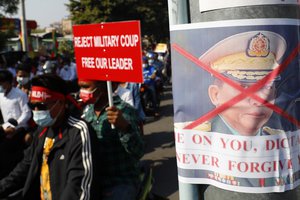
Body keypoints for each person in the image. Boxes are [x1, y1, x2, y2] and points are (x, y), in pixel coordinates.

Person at [186, 31, 299, 199]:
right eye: (245, 88)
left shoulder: (280, 137)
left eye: (267, 87)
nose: (260, 99)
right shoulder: (195, 139)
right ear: (215, 95)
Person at [0, 74, 97, 199]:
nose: (36, 110)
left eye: (41, 106)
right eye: (32, 106)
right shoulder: (41, 131)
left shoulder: (78, 132)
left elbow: (79, 185)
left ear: (61, 103)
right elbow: (24, 168)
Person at [78, 79, 144, 200]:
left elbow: (139, 151)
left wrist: (124, 127)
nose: (82, 91)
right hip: (92, 180)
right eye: (81, 87)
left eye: (86, 87)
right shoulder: (85, 112)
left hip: (120, 181)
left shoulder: (124, 111)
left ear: (105, 86)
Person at [0, 70, 32, 179]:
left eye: (1, 82)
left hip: (20, 128)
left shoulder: (20, 94)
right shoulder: (0, 95)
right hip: (5, 128)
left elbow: (26, 113)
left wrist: (16, 126)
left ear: (8, 82)